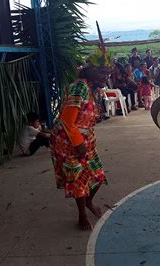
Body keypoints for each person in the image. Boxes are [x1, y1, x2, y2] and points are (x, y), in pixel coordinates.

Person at [49, 48, 110, 231]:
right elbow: (67, 120)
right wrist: (79, 144)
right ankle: (82, 216)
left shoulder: (92, 88)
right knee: (79, 181)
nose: (104, 77)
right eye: (101, 72)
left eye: (107, 73)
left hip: (85, 141)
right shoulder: (80, 87)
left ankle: (88, 203)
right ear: (89, 70)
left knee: (98, 176)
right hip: (69, 142)